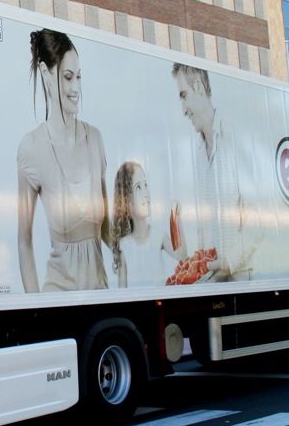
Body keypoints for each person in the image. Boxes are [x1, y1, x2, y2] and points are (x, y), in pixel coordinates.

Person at [17, 29, 112, 292]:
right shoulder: (32, 148)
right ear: (46, 74)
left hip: (101, 294)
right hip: (59, 297)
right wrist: (36, 306)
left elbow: (106, 229)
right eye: (68, 77)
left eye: (79, 77)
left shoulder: (95, 139)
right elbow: (24, 241)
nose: (76, 88)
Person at [170, 63, 260, 281]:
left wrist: (222, 263)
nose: (183, 110)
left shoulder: (234, 137)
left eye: (184, 95)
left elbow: (256, 224)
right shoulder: (198, 153)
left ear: (199, 86)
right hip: (213, 278)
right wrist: (201, 267)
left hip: (240, 277)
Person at [111, 161, 178, 287]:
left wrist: (176, 218)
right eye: (138, 187)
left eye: (146, 185)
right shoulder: (124, 246)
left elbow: (182, 256)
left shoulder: (159, 236)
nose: (146, 193)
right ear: (126, 202)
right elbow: (122, 294)